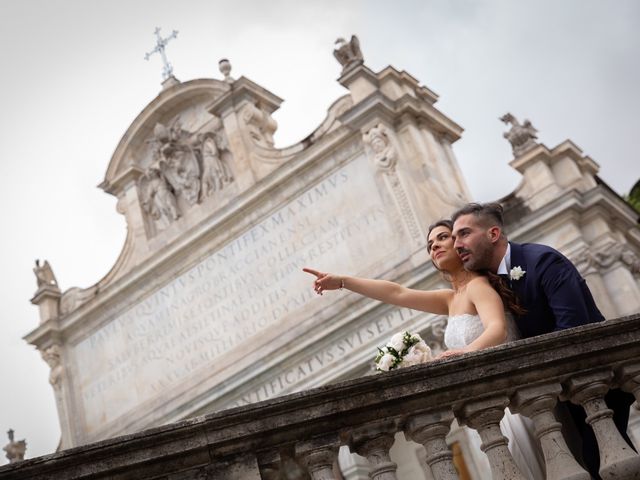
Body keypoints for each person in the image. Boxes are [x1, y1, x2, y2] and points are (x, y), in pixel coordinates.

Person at [304, 219, 545, 479]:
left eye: (442, 238)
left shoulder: (478, 286)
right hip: (483, 406)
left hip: (509, 402)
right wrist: (342, 282)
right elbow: (397, 294)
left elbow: (498, 330)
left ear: (460, 244)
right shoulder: (451, 298)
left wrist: (463, 354)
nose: (435, 246)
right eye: (430, 245)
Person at [451, 202, 637, 478]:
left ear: (493, 234)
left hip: (591, 389)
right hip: (552, 403)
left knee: (602, 464)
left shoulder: (543, 261)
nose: (457, 244)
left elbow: (573, 329)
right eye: (454, 237)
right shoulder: (488, 285)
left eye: (464, 234)